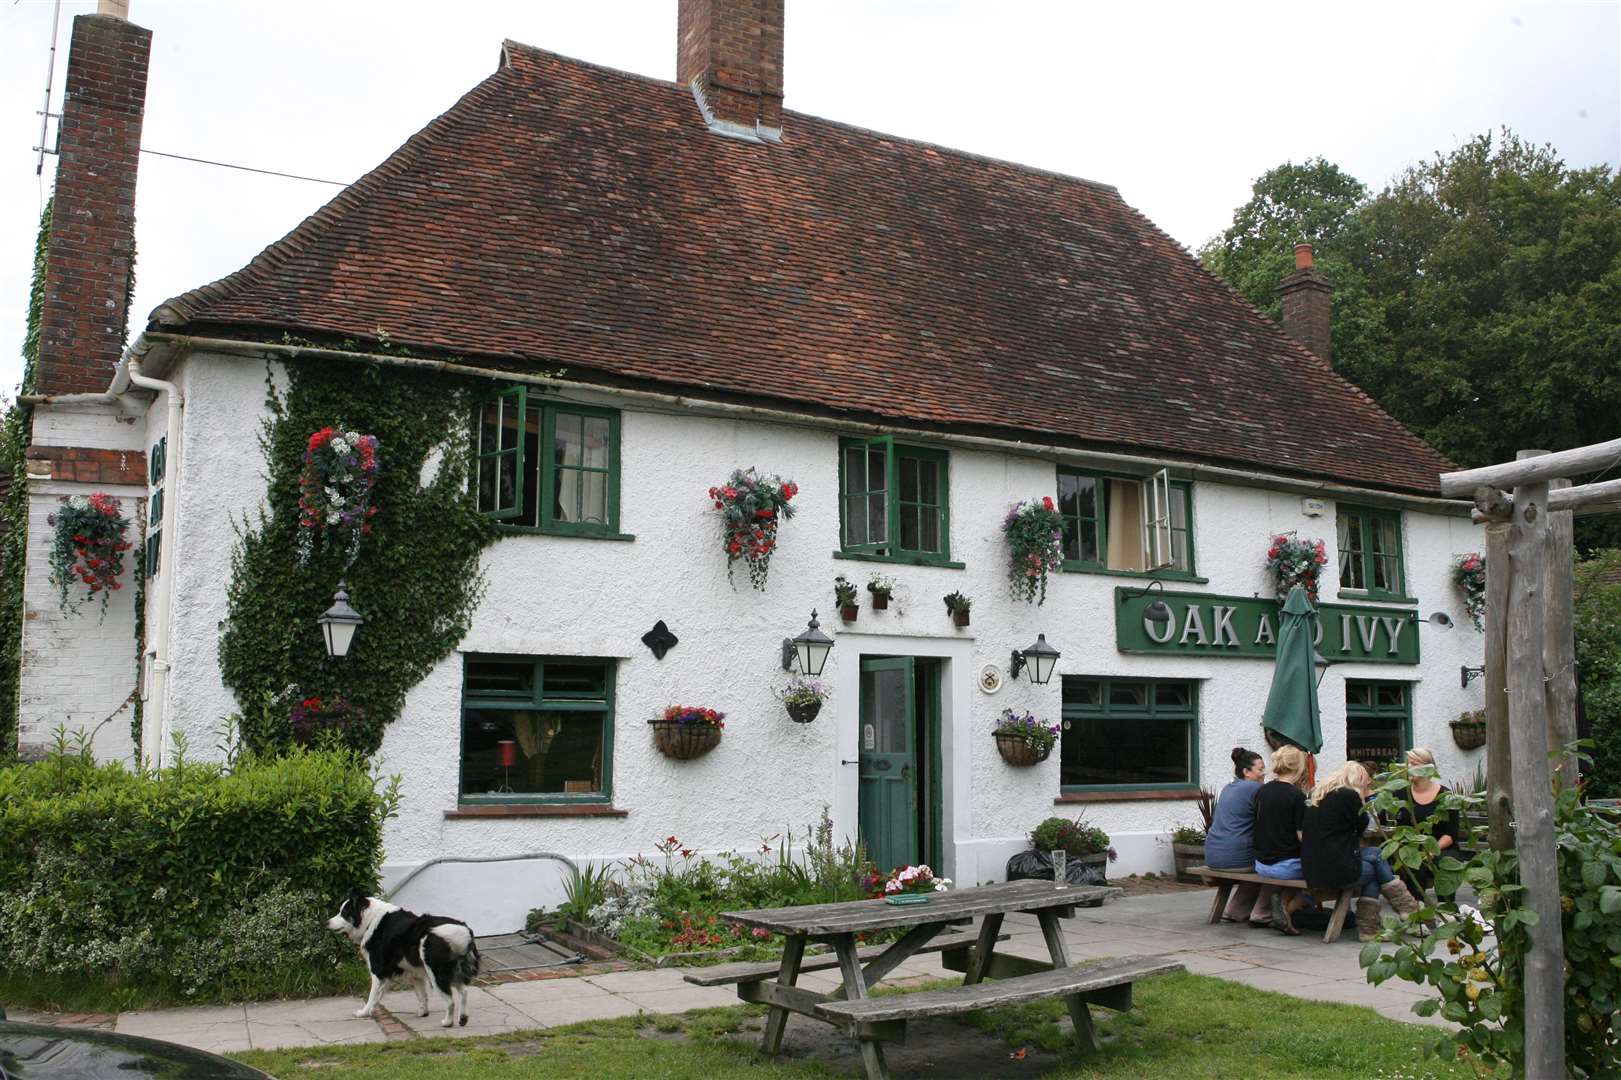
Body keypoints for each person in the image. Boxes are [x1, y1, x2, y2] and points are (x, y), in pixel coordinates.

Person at [1301, 761, 1421, 942]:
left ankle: (1372, 929)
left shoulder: (1320, 795)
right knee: (1377, 859)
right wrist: (1363, 797)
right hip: (1335, 872)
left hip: (1314, 869)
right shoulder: (1349, 796)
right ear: (1359, 779)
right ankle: (1407, 912)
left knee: (1374, 862)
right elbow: (1363, 825)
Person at [1204, 747, 1277, 926]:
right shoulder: (1254, 788)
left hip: (1213, 855)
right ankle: (1262, 912)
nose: (1264, 773)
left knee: (1260, 862)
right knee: (1278, 866)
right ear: (1246, 771)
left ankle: (1237, 910)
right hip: (1235, 857)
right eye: (1260, 769)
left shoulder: (1229, 787)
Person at [1252, 745, 1311, 935]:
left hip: (1261, 863)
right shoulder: (1297, 796)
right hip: (1286, 865)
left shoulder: (1263, 791)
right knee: (1325, 875)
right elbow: (1303, 837)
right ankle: (1287, 909)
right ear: (1299, 767)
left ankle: (1283, 905)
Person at [1393, 747, 1461, 900]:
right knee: (1413, 864)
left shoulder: (1445, 795)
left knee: (1448, 862)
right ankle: (1418, 912)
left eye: (1414, 764)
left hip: (1441, 845)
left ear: (1428, 768)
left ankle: (1447, 909)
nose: (1409, 768)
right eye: (1408, 764)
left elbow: (1451, 833)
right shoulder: (1400, 794)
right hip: (1412, 847)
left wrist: (1432, 850)